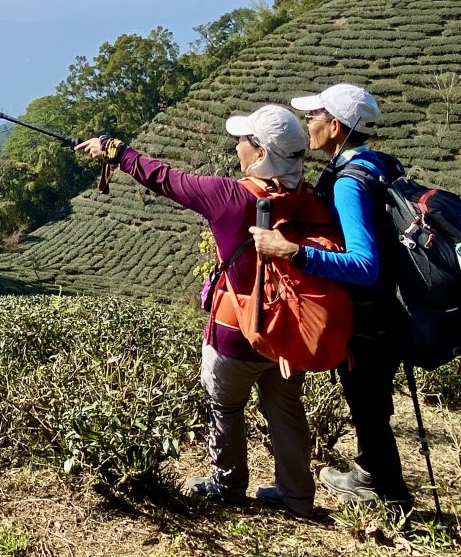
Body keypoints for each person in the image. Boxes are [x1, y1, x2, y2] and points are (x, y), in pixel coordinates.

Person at [75, 105, 315, 517]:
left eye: (244, 140)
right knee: (287, 411)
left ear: (259, 154)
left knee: (224, 407)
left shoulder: (231, 195)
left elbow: (166, 179)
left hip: (237, 329)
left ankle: (229, 486)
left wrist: (116, 150)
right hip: (289, 331)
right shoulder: (310, 199)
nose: (237, 145)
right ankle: (297, 497)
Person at [250, 83, 413, 510]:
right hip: (387, 310)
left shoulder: (348, 183)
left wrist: (294, 252)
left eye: (313, 117)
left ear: (335, 126)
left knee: (369, 409)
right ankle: (370, 475)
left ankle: (389, 499)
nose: (308, 124)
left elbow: (364, 264)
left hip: (369, 318)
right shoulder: (379, 163)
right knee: (370, 408)